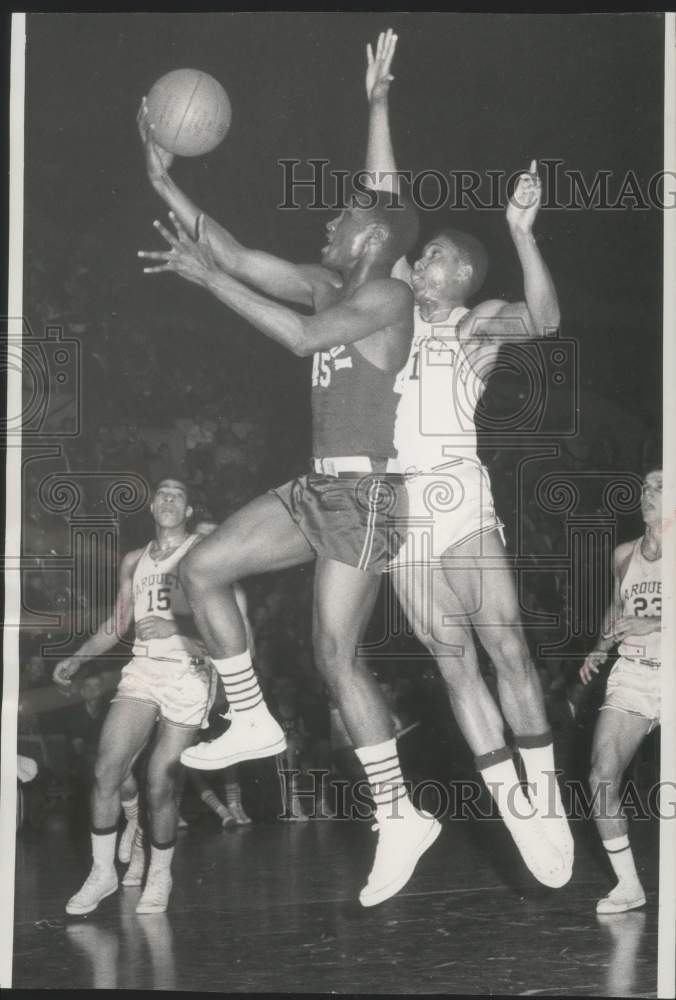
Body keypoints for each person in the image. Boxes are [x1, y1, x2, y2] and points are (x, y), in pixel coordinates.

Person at [137, 95, 441, 907]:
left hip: (367, 493)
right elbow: (234, 254)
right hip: (317, 487)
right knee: (201, 570)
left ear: (373, 240)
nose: (328, 229)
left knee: (335, 656)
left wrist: (207, 285)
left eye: (341, 220)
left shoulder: (389, 301)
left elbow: (304, 339)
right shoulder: (323, 283)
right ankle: (251, 718)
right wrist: (167, 185)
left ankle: (399, 814)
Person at [361, 30, 572, 886]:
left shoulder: (475, 322)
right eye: (422, 254)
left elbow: (549, 325)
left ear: (458, 276)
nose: (420, 260)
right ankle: (514, 809)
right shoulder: (389, 310)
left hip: (458, 488)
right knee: (450, 659)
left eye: (436, 255)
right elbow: (381, 206)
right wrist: (376, 104)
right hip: (399, 502)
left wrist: (521, 233)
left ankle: (546, 792)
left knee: (506, 643)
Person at [53, 479, 230, 915]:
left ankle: (160, 873)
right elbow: (117, 624)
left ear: (189, 510)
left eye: (179, 494)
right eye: (162, 493)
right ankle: (102, 872)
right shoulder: (134, 561)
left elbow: (229, 631)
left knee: (158, 784)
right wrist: (76, 659)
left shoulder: (202, 553)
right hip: (143, 670)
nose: (169, 498)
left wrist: (179, 631)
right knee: (107, 768)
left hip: (191, 672)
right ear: (151, 506)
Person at [579, 467, 662, 914]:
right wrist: (600, 646)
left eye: (660, 487)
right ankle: (629, 886)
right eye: (645, 487)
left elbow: (647, 616)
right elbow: (619, 607)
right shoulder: (625, 554)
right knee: (601, 777)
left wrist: (655, 623)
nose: (647, 494)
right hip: (633, 672)